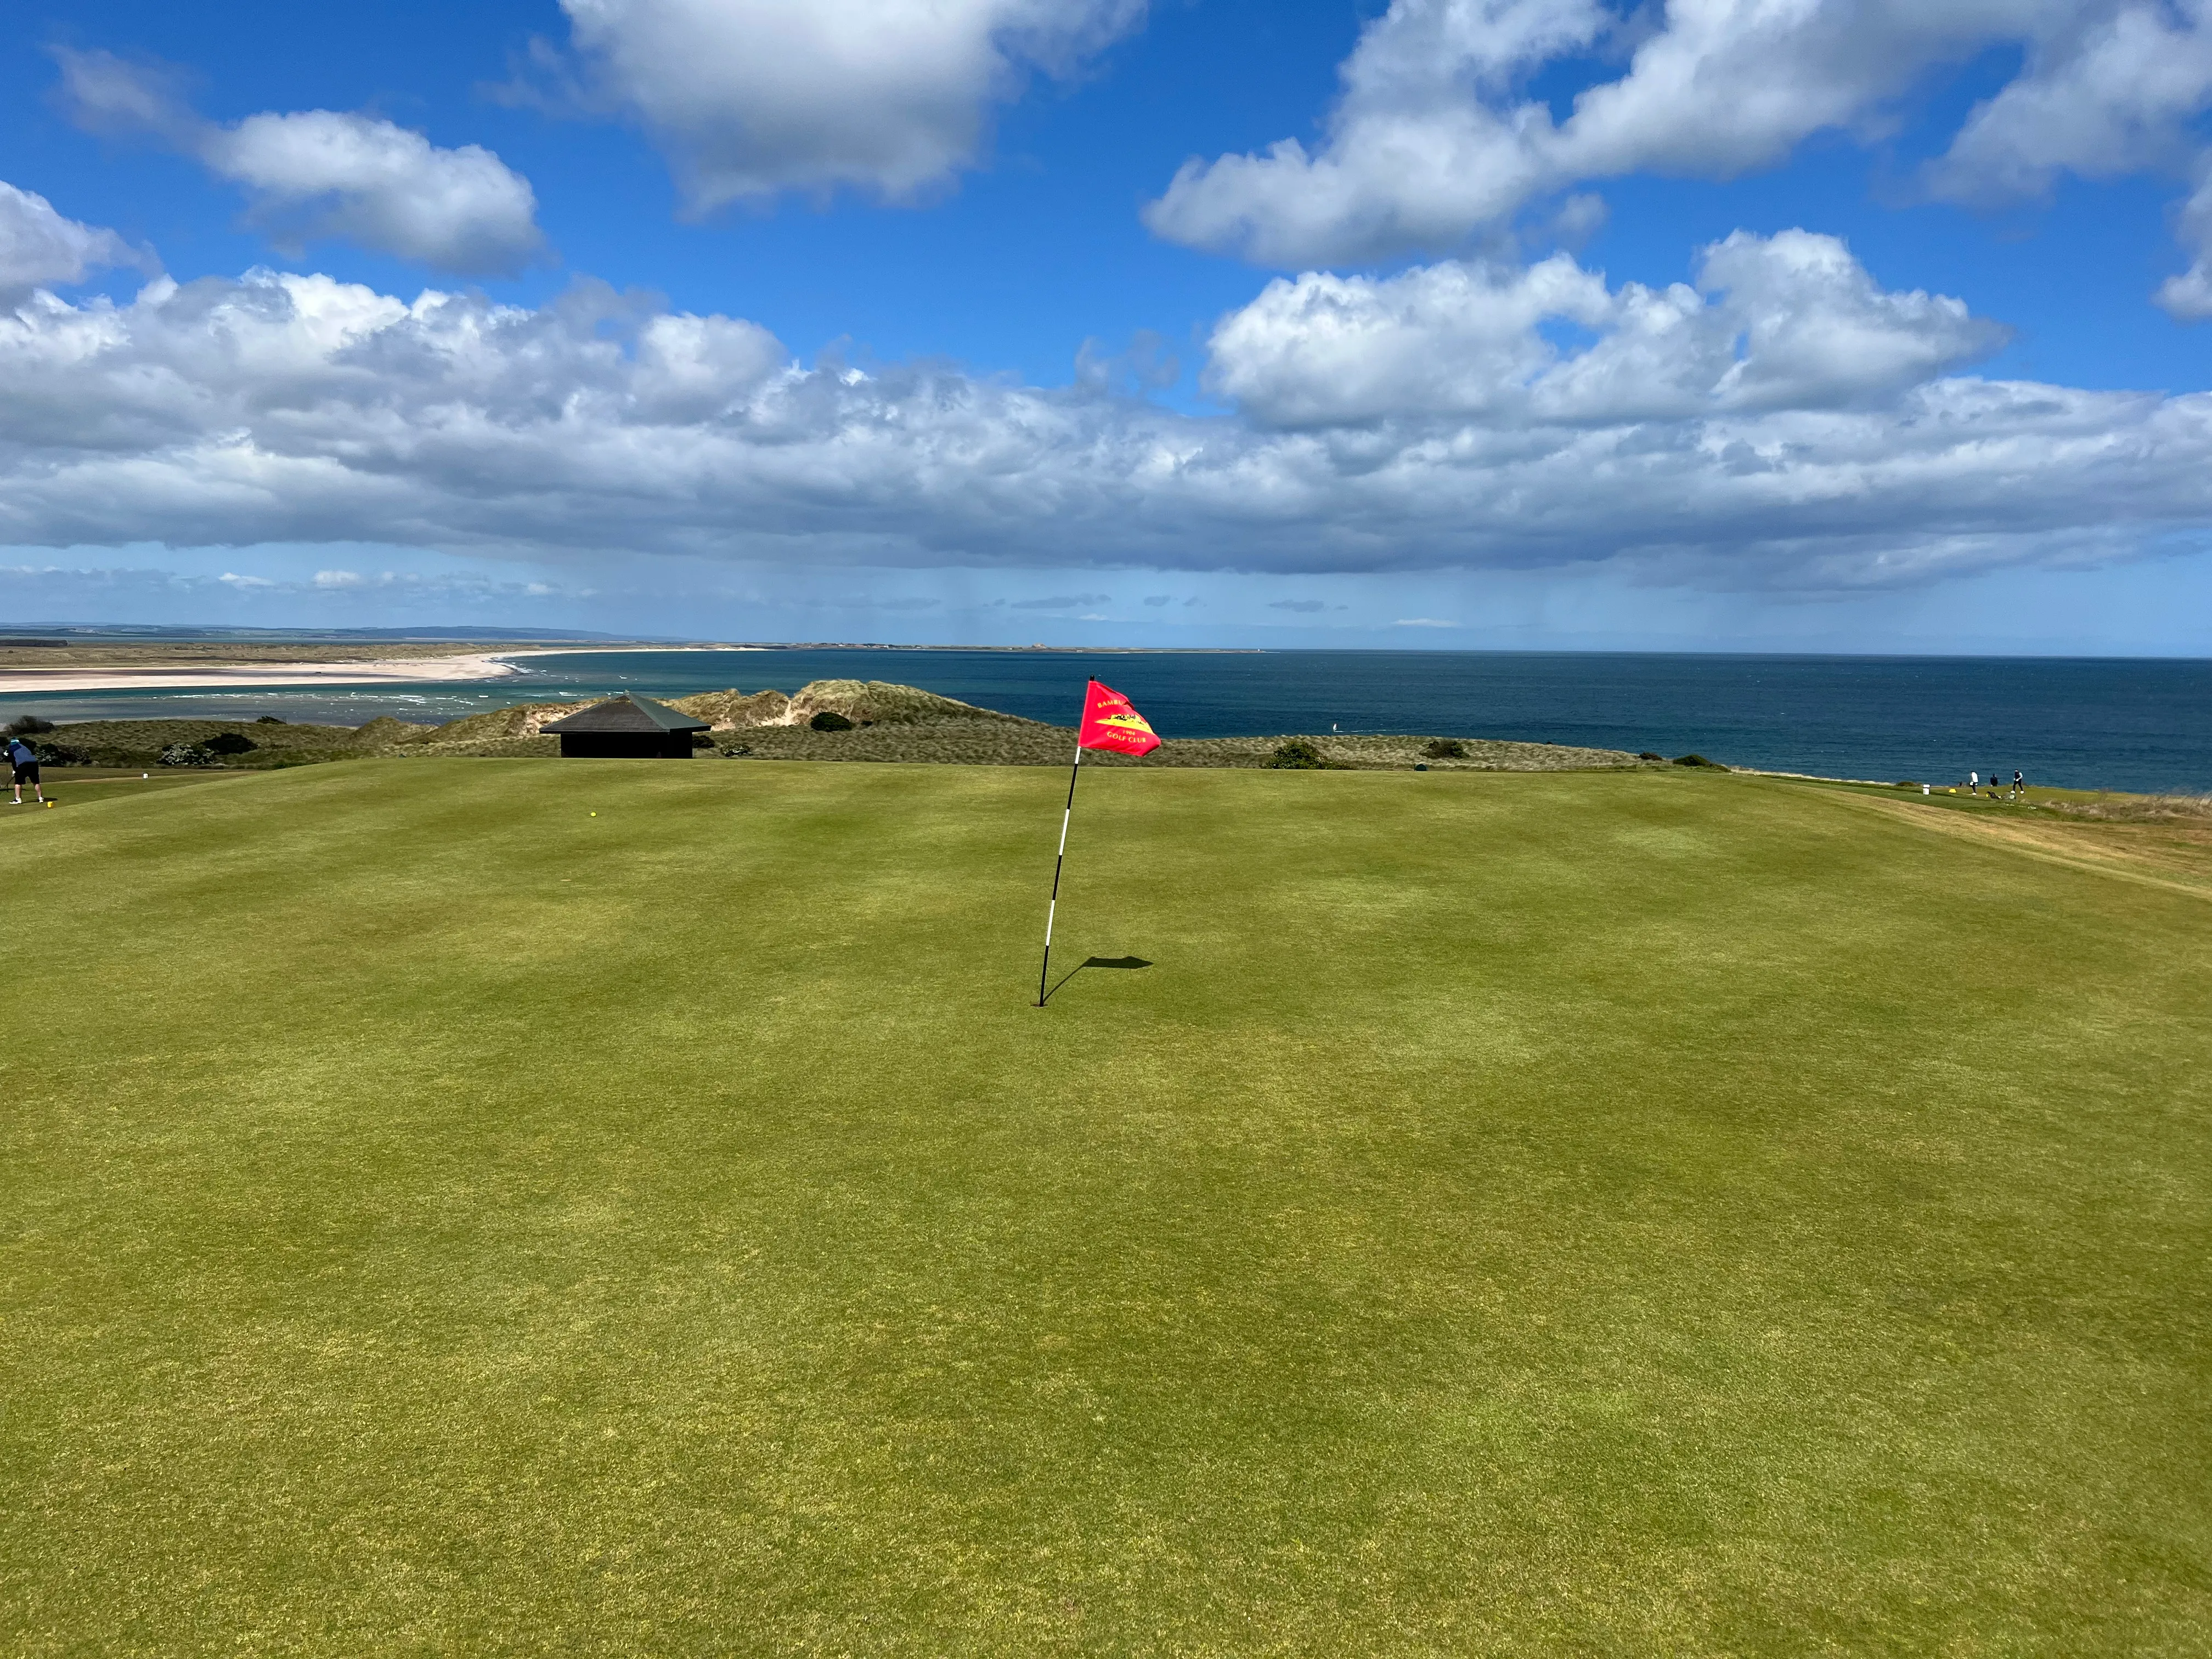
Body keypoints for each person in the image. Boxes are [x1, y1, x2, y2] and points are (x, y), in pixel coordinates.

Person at [9, 735, 42, 805]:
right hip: (34, 764)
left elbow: (13, 761)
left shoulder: (12, 749)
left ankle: (18, 799)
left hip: (22, 765)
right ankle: (40, 798)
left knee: (18, 782)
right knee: (36, 781)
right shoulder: (24, 747)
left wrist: (15, 770)